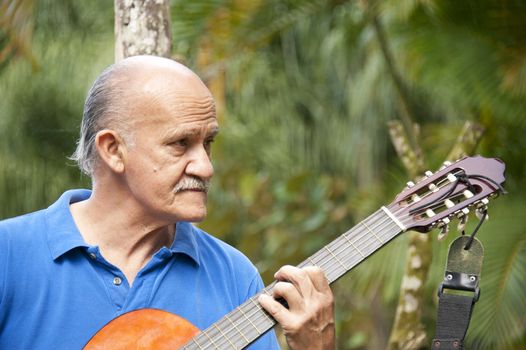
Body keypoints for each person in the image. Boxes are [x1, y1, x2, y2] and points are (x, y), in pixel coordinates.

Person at [0, 55, 335, 349]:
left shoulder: (233, 275)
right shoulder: (9, 255)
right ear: (113, 150)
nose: (205, 167)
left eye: (208, 143)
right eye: (180, 143)